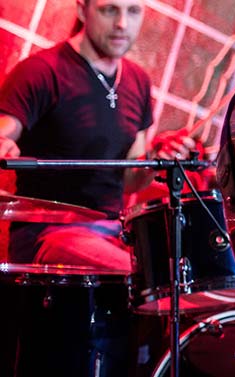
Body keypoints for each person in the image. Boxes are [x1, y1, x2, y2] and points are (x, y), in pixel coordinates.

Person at [0, 0, 195, 271]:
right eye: (109, 9)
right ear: (82, 9)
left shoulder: (138, 81)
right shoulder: (41, 71)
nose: (122, 24)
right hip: (48, 234)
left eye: (133, 11)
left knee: (182, 272)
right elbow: (5, 128)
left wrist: (154, 159)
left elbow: (129, 181)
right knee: (143, 274)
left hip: (112, 232)